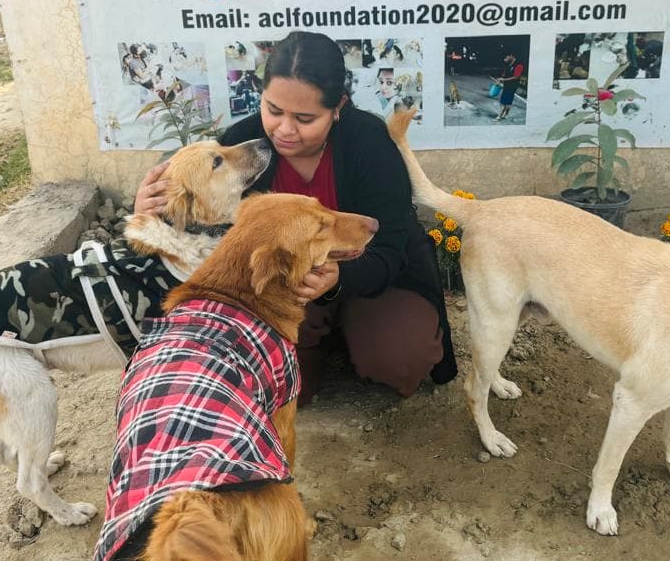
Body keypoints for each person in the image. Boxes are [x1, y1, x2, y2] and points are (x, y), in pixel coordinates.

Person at [134, 30, 457, 403]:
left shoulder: (369, 144)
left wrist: (338, 277)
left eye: (305, 118)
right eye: (273, 110)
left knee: (398, 358)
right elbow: (208, 230)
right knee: (271, 388)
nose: (284, 130)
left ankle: (351, 334)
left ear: (338, 107)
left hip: (373, 279)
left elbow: (390, 250)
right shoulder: (245, 145)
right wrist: (156, 215)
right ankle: (317, 344)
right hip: (286, 288)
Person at [492, 51, 524, 121]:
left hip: (512, 86)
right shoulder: (508, 64)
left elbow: (516, 77)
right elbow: (504, 75)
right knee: (508, 101)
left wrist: (503, 79)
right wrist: (500, 82)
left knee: (503, 101)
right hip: (507, 85)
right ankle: (505, 115)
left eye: (506, 57)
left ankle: (499, 116)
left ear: (511, 55)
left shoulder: (519, 65)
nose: (505, 59)